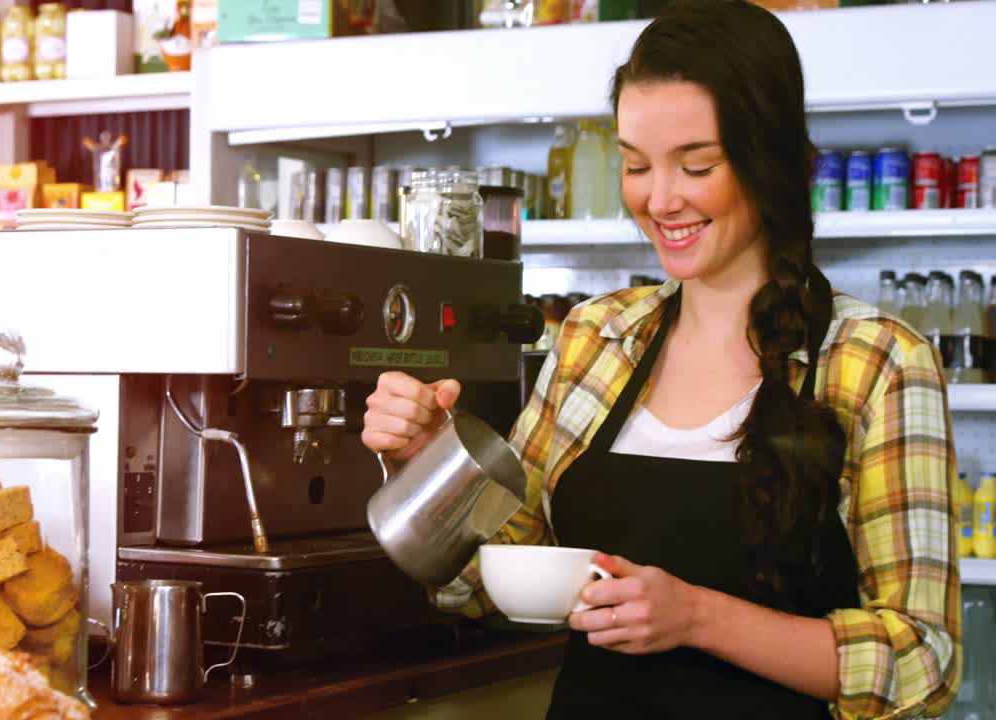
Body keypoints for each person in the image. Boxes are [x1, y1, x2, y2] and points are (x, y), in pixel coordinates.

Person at [361, 1, 961, 717]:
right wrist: (436, 463)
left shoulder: (879, 364)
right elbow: (486, 579)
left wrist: (699, 618)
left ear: (767, 162)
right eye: (636, 165)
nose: (660, 199)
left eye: (697, 164)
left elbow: (922, 658)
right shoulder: (595, 338)